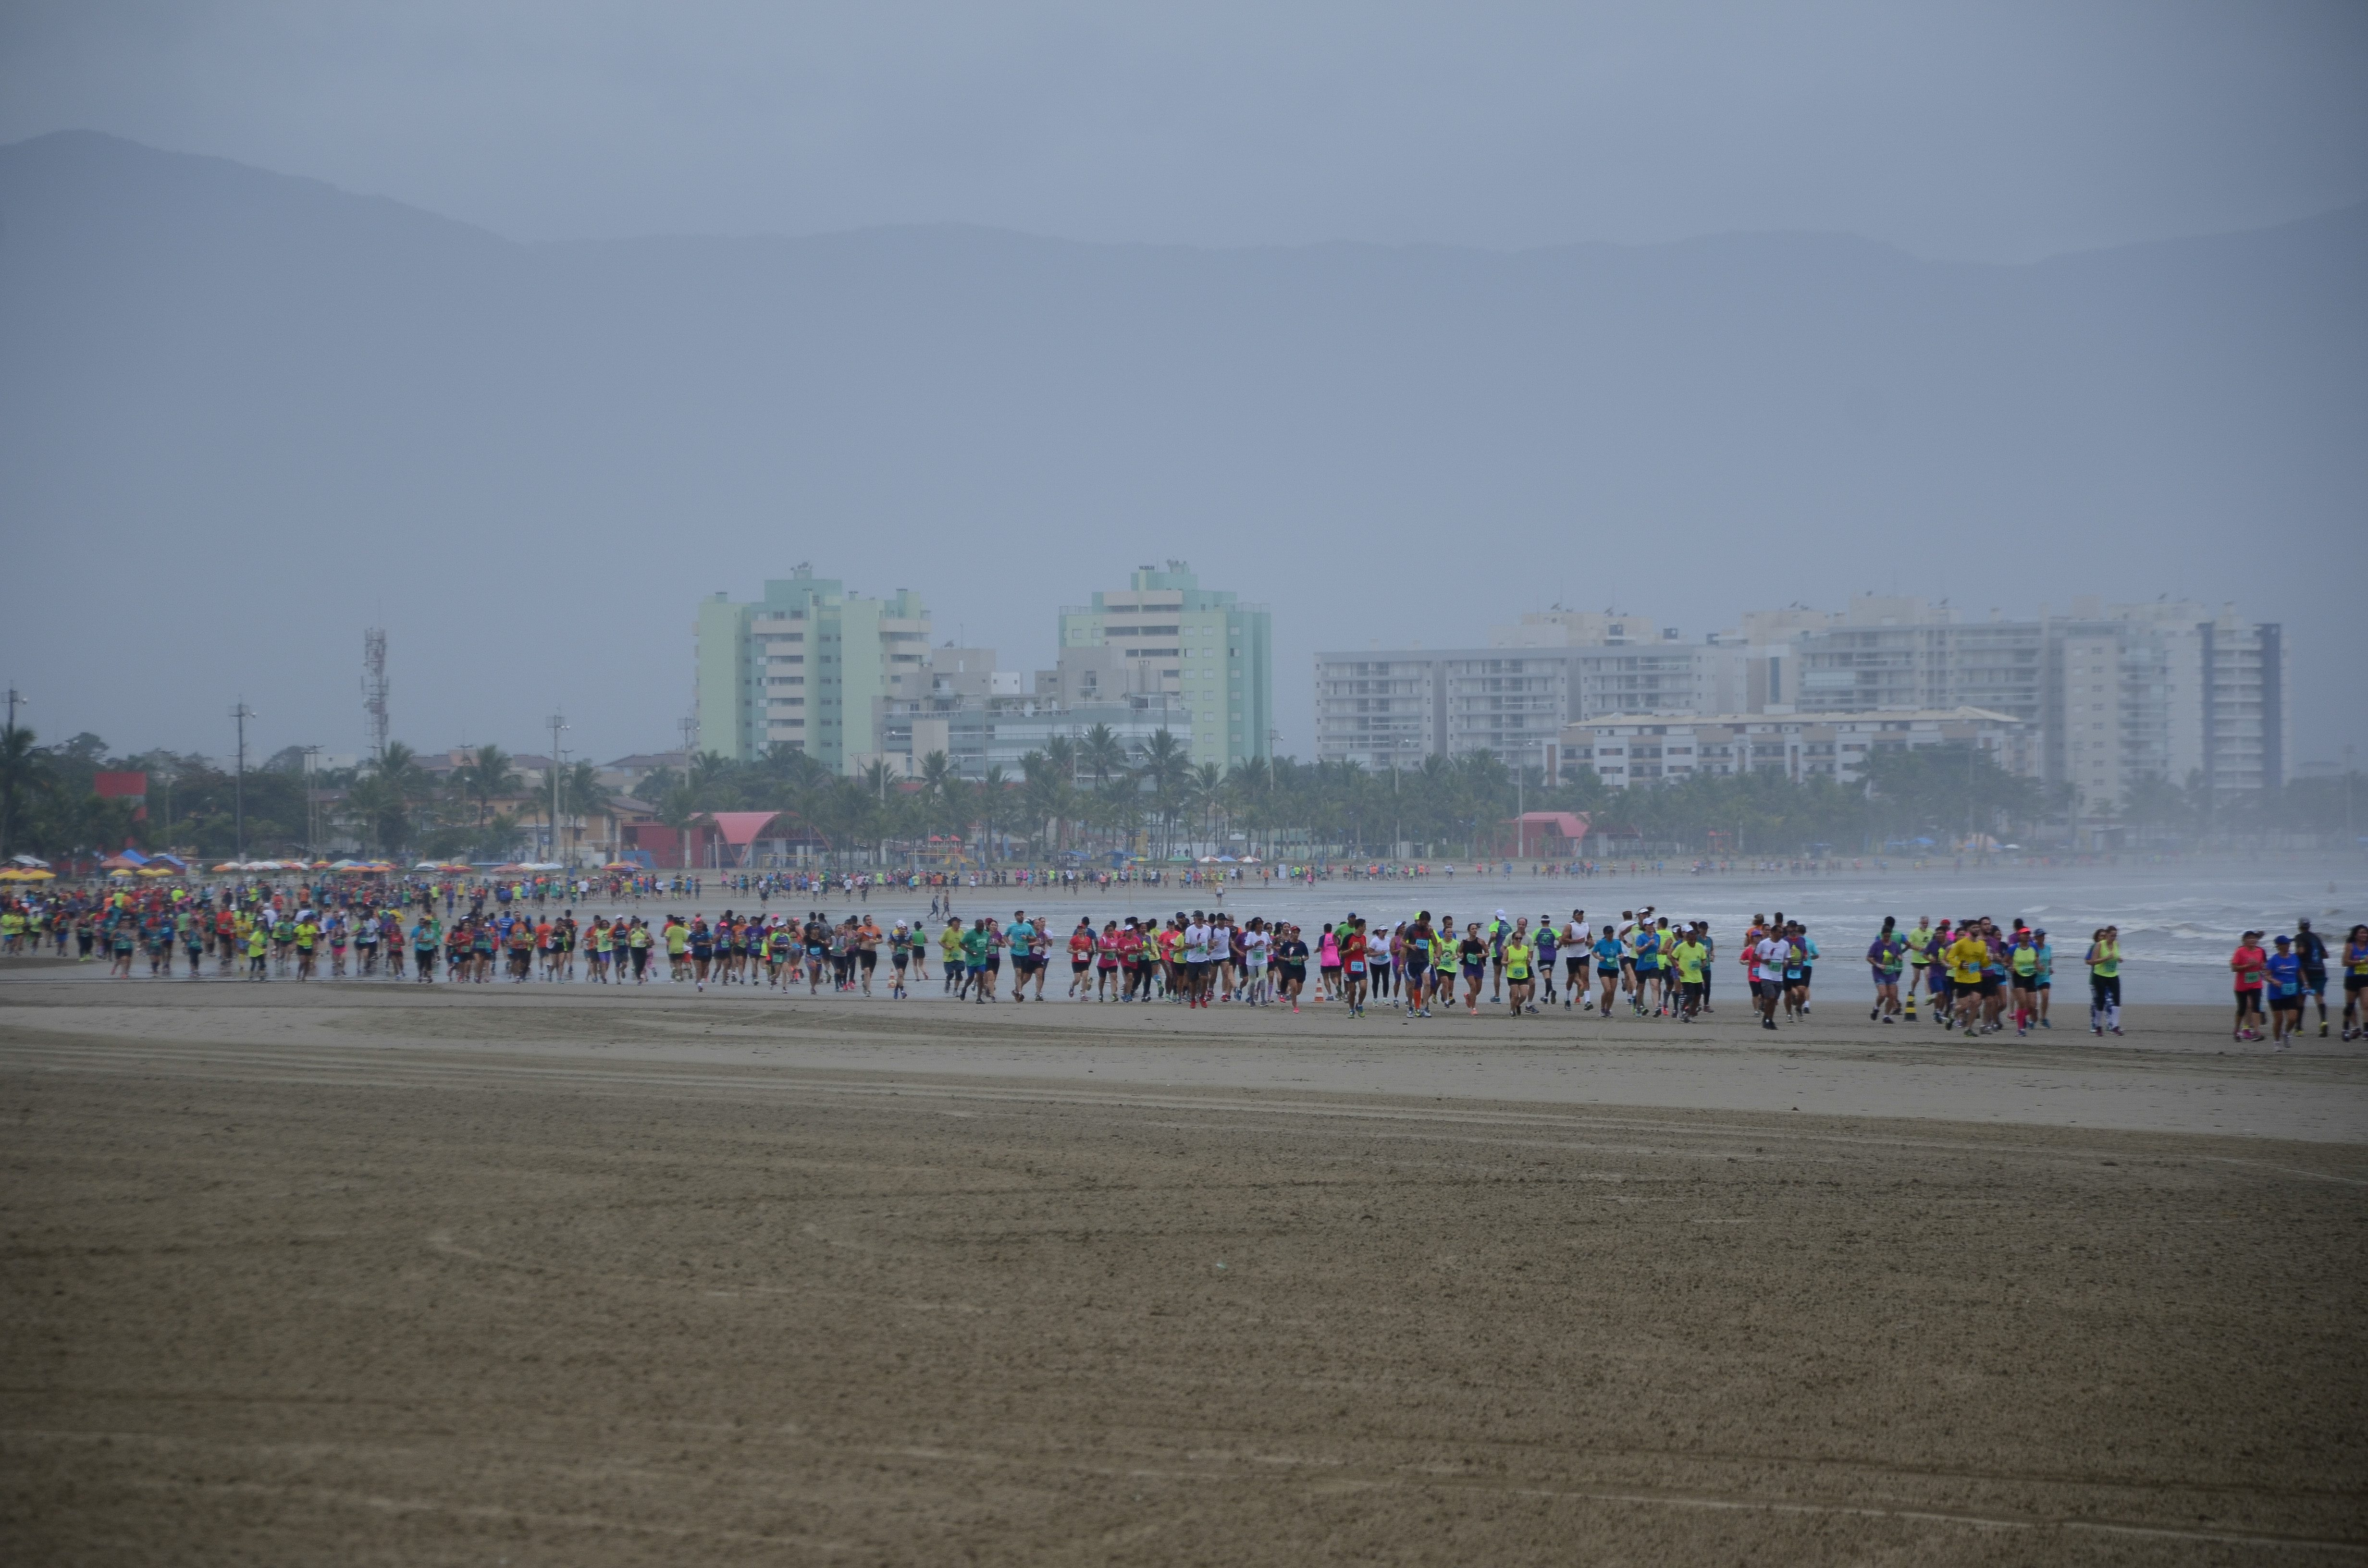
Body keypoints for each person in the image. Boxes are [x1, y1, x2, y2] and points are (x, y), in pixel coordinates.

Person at [2294, 918, 2331, 1038]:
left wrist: (2293, 957)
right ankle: (2324, 1021)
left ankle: (2299, 1027)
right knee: (2319, 996)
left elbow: (2301, 950)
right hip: (2319, 969)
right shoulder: (2316, 938)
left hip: (2306, 970)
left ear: (2300, 927)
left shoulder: (2300, 937)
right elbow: (2326, 955)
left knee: (2301, 997)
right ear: (2309, 927)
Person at [2265, 934, 2305, 1049]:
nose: (2288, 946)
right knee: (2279, 1020)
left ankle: (2286, 1034)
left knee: (2293, 1019)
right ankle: (2277, 1042)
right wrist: (2274, 981)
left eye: (2289, 944)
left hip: (2291, 993)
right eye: (2285, 944)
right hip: (2276, 995)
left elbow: (2300, 971)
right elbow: (2266, 975)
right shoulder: (2274, 960)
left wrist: (2305, 983)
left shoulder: (2294, 958)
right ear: (2279, 946)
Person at [2229, 931, 2269, 1042]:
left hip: (2256, 984)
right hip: (2241, 986)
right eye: (2249, 938)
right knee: (2242, 1009)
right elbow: (2234, 968)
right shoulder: (2240, 952)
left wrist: (2264, 968)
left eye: (2254, 938)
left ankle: (2256, 1032)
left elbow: (2264, 966)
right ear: (2244, 941)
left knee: (2255, 1007)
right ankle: (2237, 1030)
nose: (2252, 940)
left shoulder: (2261, 951)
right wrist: (2248, 966)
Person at [2084, 926, 2122, 1036]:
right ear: (2107, 935)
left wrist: (2119, 959)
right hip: (2100, 976)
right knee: (2101, 1002)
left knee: (2117, 1000)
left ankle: (2115, 1026)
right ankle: (2098, 1026)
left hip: (2113, 975)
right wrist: (2106, 958)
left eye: (2115, 936)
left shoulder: (2117, 944)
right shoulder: (2099, 945)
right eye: (2112, 936)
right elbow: (2092, 961)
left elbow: (2116, 956)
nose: (2113, 938)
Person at [1867, 917, 1904, 1023]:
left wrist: (1899, 957)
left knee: (1892, 996)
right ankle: (1876, 1008)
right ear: (1882, 935)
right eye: (1885, 936)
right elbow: (1869, 958)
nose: (1887, 938)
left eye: (1889, 936)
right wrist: (1878, 965)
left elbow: (1898, 954)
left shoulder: (1894, 945)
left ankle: (1886, 1016)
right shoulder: (1877, 945)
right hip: (1879, 972)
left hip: (1891, 972)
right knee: (1883, 995)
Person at [1274, 924, 1310, 1011]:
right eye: (1294, 933)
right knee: (1294, 987)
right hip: (1290, 969)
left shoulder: (1302, 945)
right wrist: (1288, 959)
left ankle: (1290, 996)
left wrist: (1302, 959)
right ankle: (1295, 1006)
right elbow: (1279, 956)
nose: (1296, 935)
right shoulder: (1287, 945)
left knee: (1298, 991)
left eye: (1297, 933)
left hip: (1300, 970)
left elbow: (1307, 956)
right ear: (1291, 934)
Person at [1502, 920, 1534, 1016]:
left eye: (1520, 939)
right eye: (1517, 939)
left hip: (1523, 974)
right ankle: (1512, 1010)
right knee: (1515, 995)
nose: (1519, 940)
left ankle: (1517, 1005)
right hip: (1512, 974)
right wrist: (1507, 962)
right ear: (1513, 940)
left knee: (1524, 995)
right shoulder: (1509, 949)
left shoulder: (1525, 948)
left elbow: (1529, 959)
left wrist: (1528, 960)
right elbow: (1503, 961)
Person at [2342, 925, 2368, 1042]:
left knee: (2366, 1005)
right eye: (2362, 933)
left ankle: (2366, 1031)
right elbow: (2345, 962)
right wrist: (2362, 961)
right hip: (2352, 978)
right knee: (2350, 1007)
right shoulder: (2350, 946)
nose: (2364, 935)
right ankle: (2347, 1028)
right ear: (2356, 935)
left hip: (2365, 979)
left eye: (2366, 933)